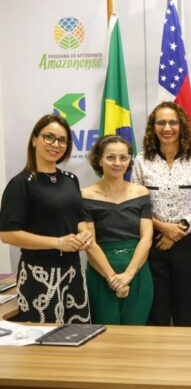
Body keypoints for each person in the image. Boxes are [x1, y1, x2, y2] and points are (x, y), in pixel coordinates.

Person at [0, 114, 91, 324]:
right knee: (46, 340)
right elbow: (7, 234)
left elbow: (79, 219)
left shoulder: (71, 179)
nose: (56, 144)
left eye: (62, 140)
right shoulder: (21, 183)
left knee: (79, 335)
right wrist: (58, 243)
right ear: (34, 140)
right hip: (39, 276)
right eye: (49, 137)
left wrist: (85, 233)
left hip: (73, 273)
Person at [132, 101, 191, 326]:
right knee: (157, 314)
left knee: (187, 313)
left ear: (181, 125)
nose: (167, 128)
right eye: (161, 123)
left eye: (173, 122)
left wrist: (179, 229)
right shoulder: (141, 160)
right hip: (153, 242)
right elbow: (136, 204)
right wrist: (163, 228)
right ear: (153, 127)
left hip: (188, 242)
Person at [82, 135, 154, 325]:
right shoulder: (85, 195)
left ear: (130, 160)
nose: (117, 163)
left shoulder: (141, 192)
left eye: (123, 157)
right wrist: (113, 279)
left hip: (137, 269)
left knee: (137, 334)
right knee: (105, 333)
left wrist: (128, 275)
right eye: (111, 157)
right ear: (99, 160)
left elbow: (146, 238)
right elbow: (90, 243)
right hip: (101, 270)